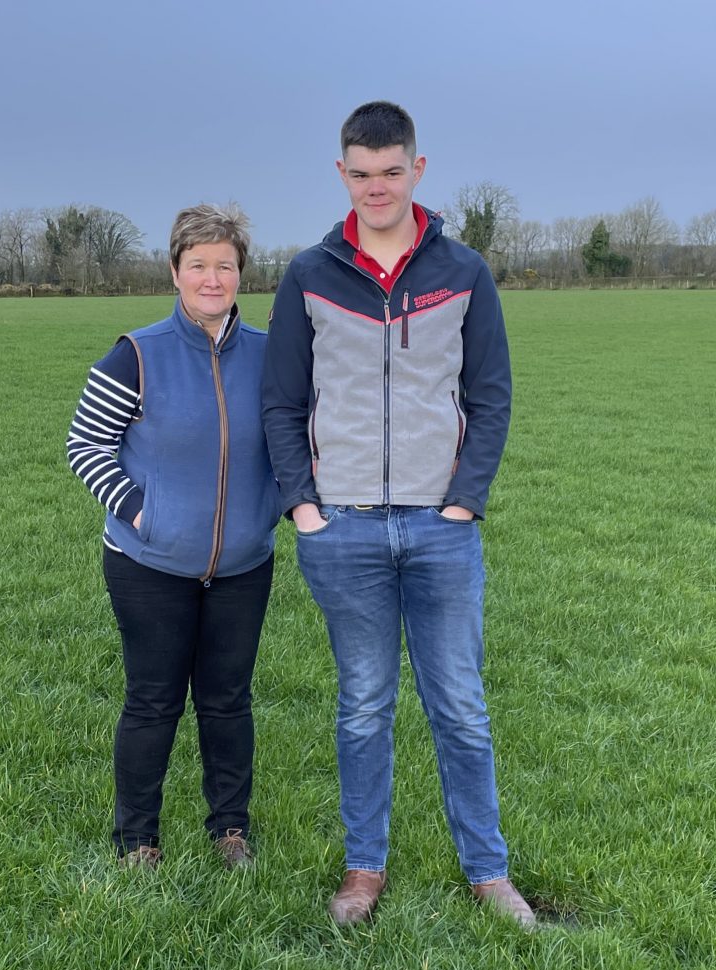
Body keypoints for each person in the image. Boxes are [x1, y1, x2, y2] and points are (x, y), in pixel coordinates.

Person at [262, 102, 535, 927]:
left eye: (390, 171)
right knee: (363, 704)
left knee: (460, 703)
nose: (375, 186)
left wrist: (464, 500)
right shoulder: (310, 275)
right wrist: (303, 507)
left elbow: (489, 397)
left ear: (417, 171)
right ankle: (363, 868)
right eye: (360, 172)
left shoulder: (466, 271)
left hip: (439, 530)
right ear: (341, 175)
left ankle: (488, 870)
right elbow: (282, 402)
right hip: (341, 526)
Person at [67, 203, 280, 869]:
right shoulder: (136, 354)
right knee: (153, 701)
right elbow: (86, 443)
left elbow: (298, 441)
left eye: (224, 265)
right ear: (175, 271)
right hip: (149, 563)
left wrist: (270, 507)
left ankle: (230, 829)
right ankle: (138, 838)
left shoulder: (273, 356)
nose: (212, 278)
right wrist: (141, 510)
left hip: (243, 565)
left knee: (227, 701)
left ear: (241, 272)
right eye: (198, 265)